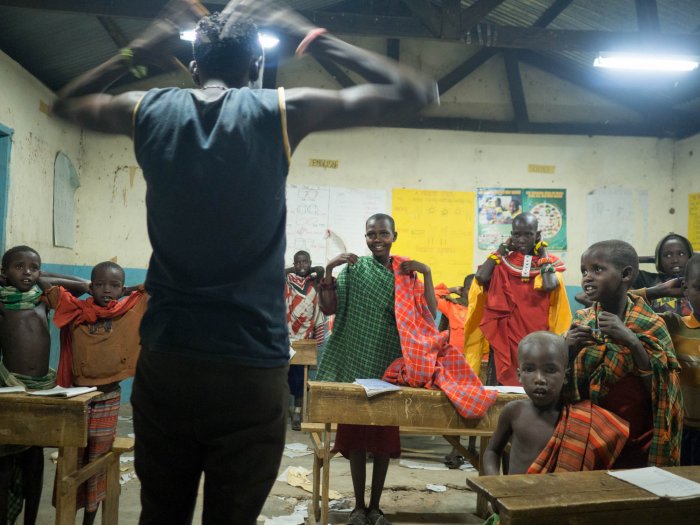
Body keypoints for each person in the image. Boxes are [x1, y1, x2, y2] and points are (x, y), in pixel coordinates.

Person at [51, 0, 438, 522]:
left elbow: (65, 102)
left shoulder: (148, 110)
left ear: (192, 68)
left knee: (161, 514)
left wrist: (139, 50)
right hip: (250, 369)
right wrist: (309, 35)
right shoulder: (277, 110)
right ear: (255, 69)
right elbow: (418, 92)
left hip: (168, 362)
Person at [316, 214, 436, 525]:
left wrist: (427, 273)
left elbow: (429, 316)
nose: (377, 239)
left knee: (383, 440)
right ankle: (358, 507)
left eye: (383, 233)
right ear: (366, 237)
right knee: (355, 439)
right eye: (372, 234)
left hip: (391, 366)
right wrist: (330, 269)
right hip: (355, 363)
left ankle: (376, 507)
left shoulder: (407, 273)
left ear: (394, 235)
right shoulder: (355, 270)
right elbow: (329, 308)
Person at [45, 261, 147, 525]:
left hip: (108, 398)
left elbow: (158, 287)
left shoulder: (129, 309)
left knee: (98, 461)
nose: (107, 290)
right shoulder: (76, 309)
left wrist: (129, 291)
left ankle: (90, 518)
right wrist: (81, 286)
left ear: (122, 288)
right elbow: (44, 282)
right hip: (77, 397)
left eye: (114, 285)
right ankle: (68, 514)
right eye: (99, 284)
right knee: (71, 460)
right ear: (91, 285)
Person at [566, 240, 683, 468]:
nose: (587, 277)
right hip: (591, 435)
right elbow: (569, 383)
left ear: (626, 274)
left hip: (639, 438)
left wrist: (632, 341)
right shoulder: (582, 321)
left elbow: (663, 388)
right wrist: (567, 349)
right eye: (584, 271)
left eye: (597, 269)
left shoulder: (650, 324)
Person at [0, 246, 86, 525]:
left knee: (34, 459)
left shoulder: (43, 298)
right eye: (19, 267)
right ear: (4, 272)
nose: (27, 272)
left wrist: (42, 276)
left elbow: (82, 286)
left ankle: (31, 520)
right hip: (12, 391)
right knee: (5, 460)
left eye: (33, 267)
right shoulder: (2, 302)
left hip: (43, 388)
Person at [483, 331, 629, 476]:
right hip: (515, 497)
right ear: (519, 375)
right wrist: (495, 483)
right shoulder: (513, 412)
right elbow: (492, 451)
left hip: (562, 497)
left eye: (550, 370)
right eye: (529, 369)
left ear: (565, 375)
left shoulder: (581, 421)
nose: (539, 378)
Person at [464, 212, 571, 386]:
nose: (521, 239)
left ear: (537, 235)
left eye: (528, 235)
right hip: (507, 333)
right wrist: (500, 250)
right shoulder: (503, 260)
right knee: (501, 381)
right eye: (516, 234)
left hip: (538, 333)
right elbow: (481, 277)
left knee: (534, 380)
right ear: (511, 235)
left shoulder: (548, 262)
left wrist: (542, 252)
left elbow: (550, 284)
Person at [640, 254, 700, 465]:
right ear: (686, 289)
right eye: (699, 287)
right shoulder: (674, 325)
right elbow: (619, 303)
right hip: (683, 433)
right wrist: (658, 291)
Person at [434, 274, 487, 468]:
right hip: (455, 367)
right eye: (470, 290)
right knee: (456, 407)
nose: (474, 294)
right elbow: (431, 294)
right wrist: (452, 289)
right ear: (463, 291)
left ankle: (472, 446)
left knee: (476, 407)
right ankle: (456, 448)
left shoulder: (484, 311)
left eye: (478, 290)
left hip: (478, 367)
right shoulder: (454, 307)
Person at [285, 250, 325, 431]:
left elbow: (322, 270)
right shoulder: (288, 281)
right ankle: (285, 411)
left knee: (301, 378)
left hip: (305, 338)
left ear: (310, 262)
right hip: (286, 338)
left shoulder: (314, 282)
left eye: (305, 262)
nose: (301, 266)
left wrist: (313, 270)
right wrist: (292, 269)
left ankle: (298, 413)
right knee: (283, 376)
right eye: (298, 263)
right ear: (294, 264)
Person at [633, 233, 694, 315]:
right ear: (659, 259)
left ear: (689, 256)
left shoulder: (696, 281)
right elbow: (618, 263)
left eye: (681, 254)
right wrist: (651, 259)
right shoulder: (648, 280)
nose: (675, 260)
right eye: (668, 255)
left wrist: (694, 259)